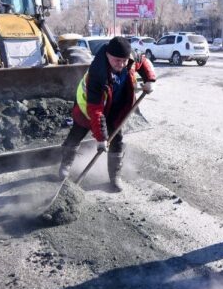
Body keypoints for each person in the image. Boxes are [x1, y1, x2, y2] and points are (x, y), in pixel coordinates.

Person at [58, 36, 156, 192]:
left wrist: (149, 79)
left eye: (124, 60)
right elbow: (95, 110)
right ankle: (65, 166)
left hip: (115, 109)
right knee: (76, 135)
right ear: (108, 55)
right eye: (117, 60)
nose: (122, 64)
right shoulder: (97, 74)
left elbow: (143, 61)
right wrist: (101, 139)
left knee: (117, 140)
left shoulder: (129, 58)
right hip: (87, 110)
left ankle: (114, 177)